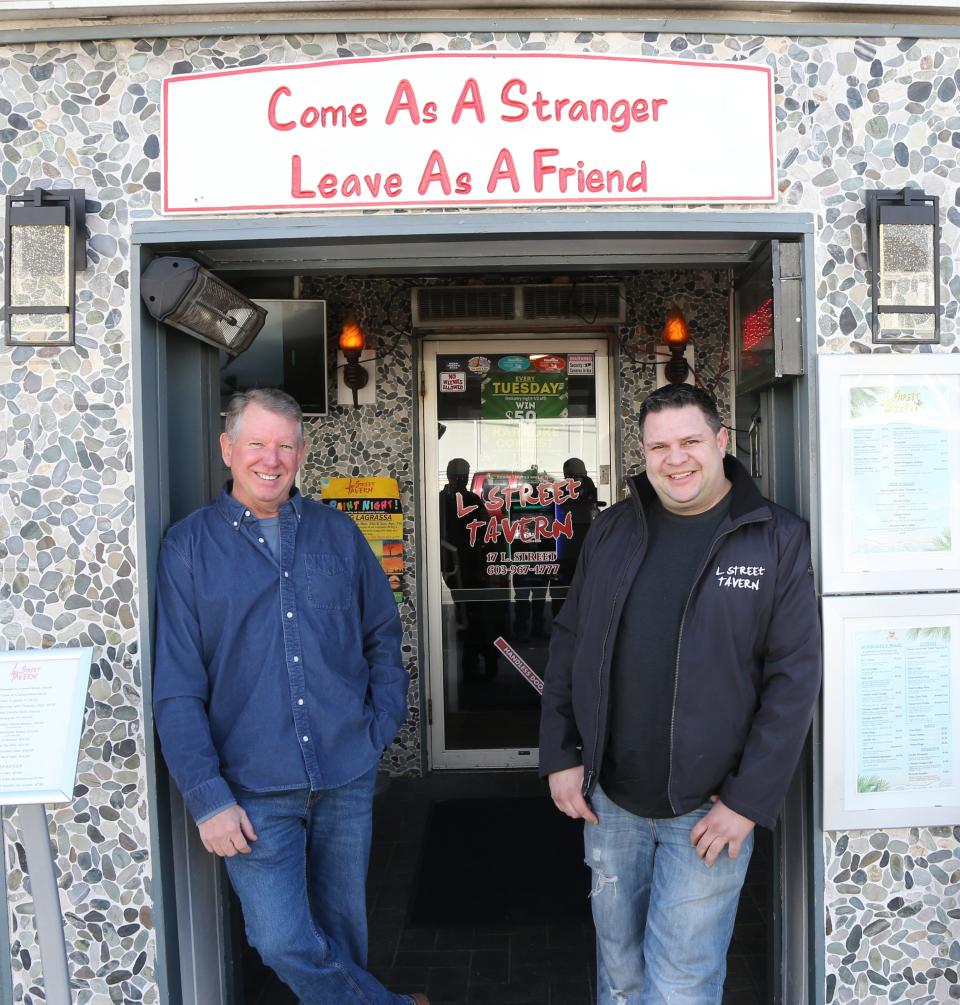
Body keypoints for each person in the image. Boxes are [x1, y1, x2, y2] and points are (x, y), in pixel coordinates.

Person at [539, 383, 821, 1005]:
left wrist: (748, 801)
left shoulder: (774, 537)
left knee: (682, 984)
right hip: (610, 801)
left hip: (709, 810)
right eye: (660, 445)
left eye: (691, 440)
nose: (677, 458)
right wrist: (560, 755)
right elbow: (570, 643)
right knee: (619, 971)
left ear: (722, 441)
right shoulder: (613, 530)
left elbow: (793, 680)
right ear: (643, 452)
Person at [153, 388, 428, 1005]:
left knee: (341, 934)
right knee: (280, 940)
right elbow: (176, 687)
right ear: (228, 449)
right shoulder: (189, 547)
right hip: (251, 787)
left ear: (302, 451)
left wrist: (380, 723)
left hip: (344, 772)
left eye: (284, 445)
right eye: (257, 443)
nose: (271, 459)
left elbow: (382, 636)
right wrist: (206, 798)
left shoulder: (339, 534)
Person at [438, 457, 500, 678]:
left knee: (469, 617)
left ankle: (474, 661)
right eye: (461, 476)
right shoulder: (469, 500)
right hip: (466, 569)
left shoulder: (439, 501)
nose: (460, 480)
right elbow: (488, 536)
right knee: (474, 617)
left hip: (455, 570)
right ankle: (481, 659)